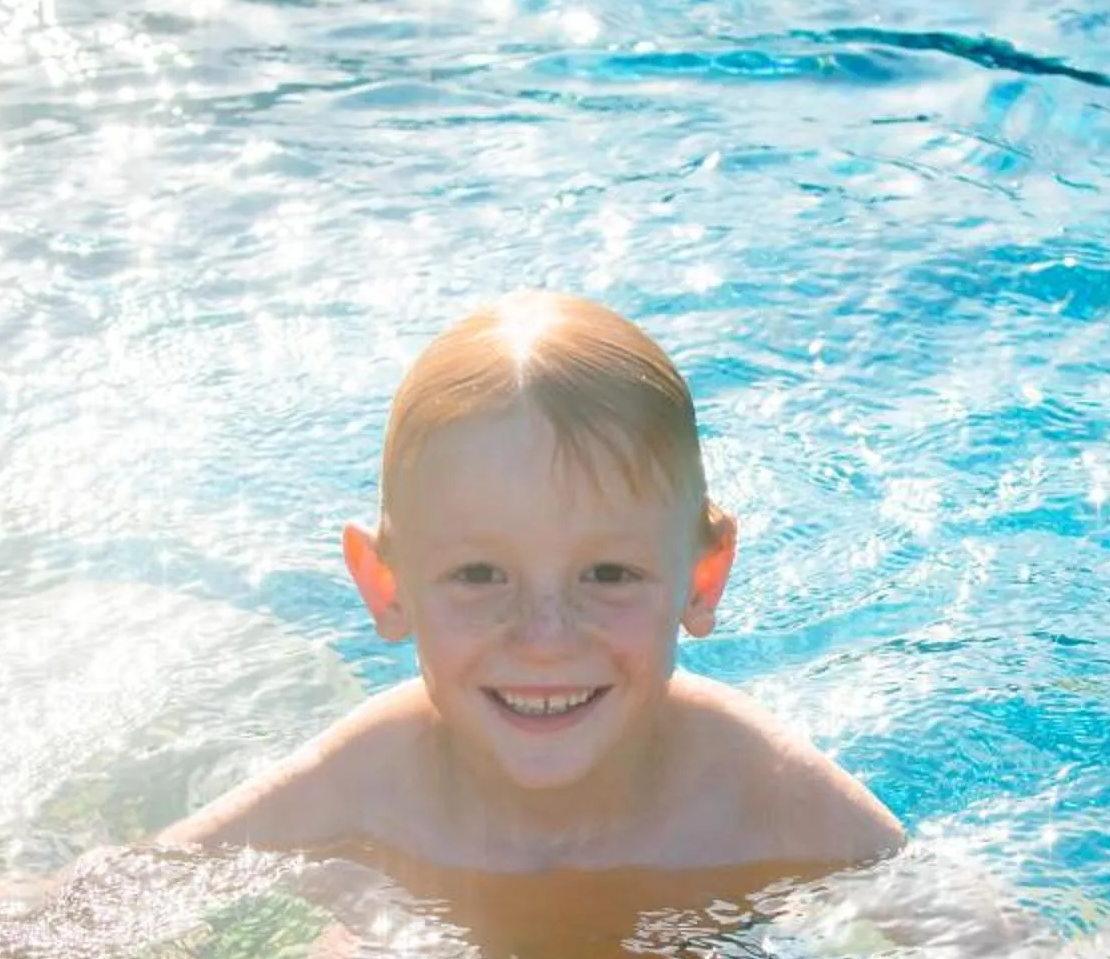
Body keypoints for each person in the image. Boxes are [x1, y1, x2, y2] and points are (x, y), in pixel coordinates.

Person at [156, 291, 903, 883]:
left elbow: (983, 951)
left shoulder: (760, 789)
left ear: (703, 578)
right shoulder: (368, 782)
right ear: (386, 585)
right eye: (479, 575)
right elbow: (122, 895)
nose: (545, 639)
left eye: (608, 574)